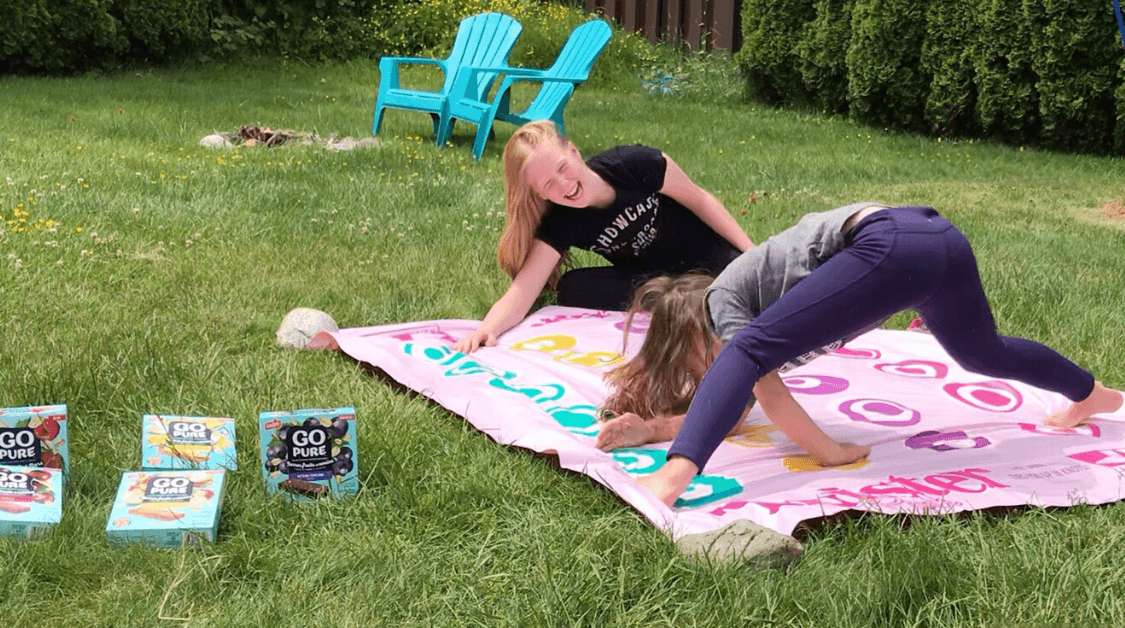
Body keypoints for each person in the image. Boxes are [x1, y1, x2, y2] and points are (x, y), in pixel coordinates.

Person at [592, 202, 1123, 507]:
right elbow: (745, 399)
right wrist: (653, 427)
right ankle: (1091, 394)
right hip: (937, 242)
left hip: (891, 242)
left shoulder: (723, 299)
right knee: (983, 353)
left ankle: (672, 479)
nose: (709, 372)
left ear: (692, 328)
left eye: (695, 364)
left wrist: (829, 451)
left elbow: (750, 371)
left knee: (749, 352)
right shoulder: (746, 326)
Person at [454, 120, 754, 354]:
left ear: (573, 151)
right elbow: (523, 291)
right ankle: (687, 302)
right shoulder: (561, 221)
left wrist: (752, 254)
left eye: (562, 168)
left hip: (706, 254)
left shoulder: (635, 164)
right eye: (548, 184)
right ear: (540, 194)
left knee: (751, 291)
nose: (564, 184)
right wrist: (488, 329)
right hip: (656, 280)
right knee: (572, 288)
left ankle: (704, 297)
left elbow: (701, 201)